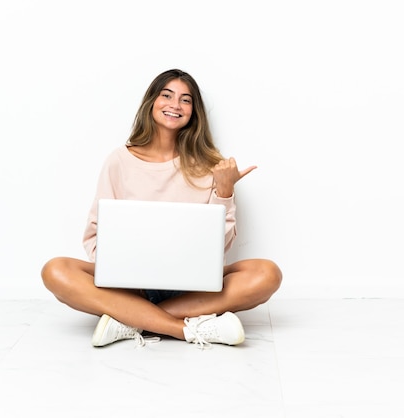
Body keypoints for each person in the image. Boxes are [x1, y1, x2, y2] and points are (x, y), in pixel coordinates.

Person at [41, 69, 282, 349]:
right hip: (130, 285)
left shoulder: (211, 165)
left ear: (194, 111)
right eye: (166, 95)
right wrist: (125, 262)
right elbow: (94, 240)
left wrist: (225, 191)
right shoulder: (119, 160)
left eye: (185, 100)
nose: (175, 105)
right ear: (151, 102)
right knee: (55, 270)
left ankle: (128, 319)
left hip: (194, 286)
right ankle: (185, 329)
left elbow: (221, 247)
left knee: (267, 273)